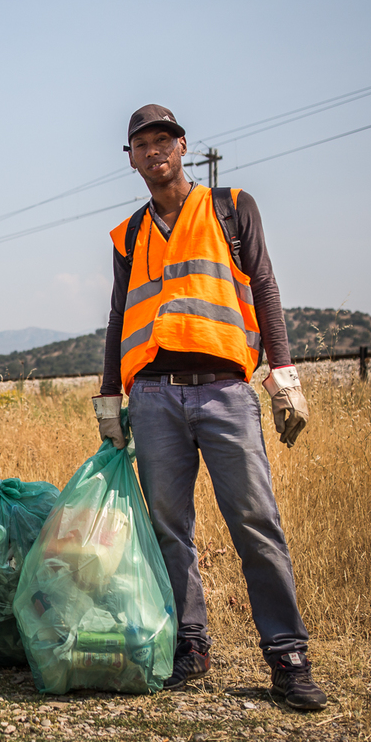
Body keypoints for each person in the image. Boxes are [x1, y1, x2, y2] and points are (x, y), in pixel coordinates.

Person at [92, 105, 325, 711]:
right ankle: (189, 645)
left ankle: (287, 655)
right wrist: (109, 395)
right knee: (170, 528)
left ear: (183, 145)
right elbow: (120, 317)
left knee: (255, 523)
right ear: (131, 158)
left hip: (225, 390)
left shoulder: (231, 207)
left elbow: (265, 284)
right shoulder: (130, 234)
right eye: (141, 143)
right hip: (153, 396)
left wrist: (285, 376)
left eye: (163, 139)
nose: (154, 150)